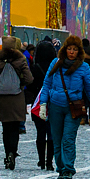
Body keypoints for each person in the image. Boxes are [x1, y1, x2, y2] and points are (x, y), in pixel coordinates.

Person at [36, 34, 90, 179]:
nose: (71, 52)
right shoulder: (56, 63)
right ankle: (61, 169)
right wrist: (43, 104)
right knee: (57, 140)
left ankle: (68, 170)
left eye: (75, 49)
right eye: (69, 49)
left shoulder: (84, 67)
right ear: (65, 49)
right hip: (56, 106)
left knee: (68, 139)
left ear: (79, 51)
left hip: (74, 108)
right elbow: (47, 84)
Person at [0, 35, 34, 170]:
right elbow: (29, 79)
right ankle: (13, 153)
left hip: (2, 98)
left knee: (6, 128)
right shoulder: (21, 59)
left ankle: (7, 153)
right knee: (15, 127)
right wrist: (20, 83)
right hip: (17, 96)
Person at [27, 40, 55, 170]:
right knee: (51, 133)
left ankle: (41, 161)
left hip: (38, 102)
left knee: (40, 132)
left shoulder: (34, 67)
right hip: (53, 102)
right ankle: (50, 162)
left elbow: (30, 86)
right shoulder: (56, 67)